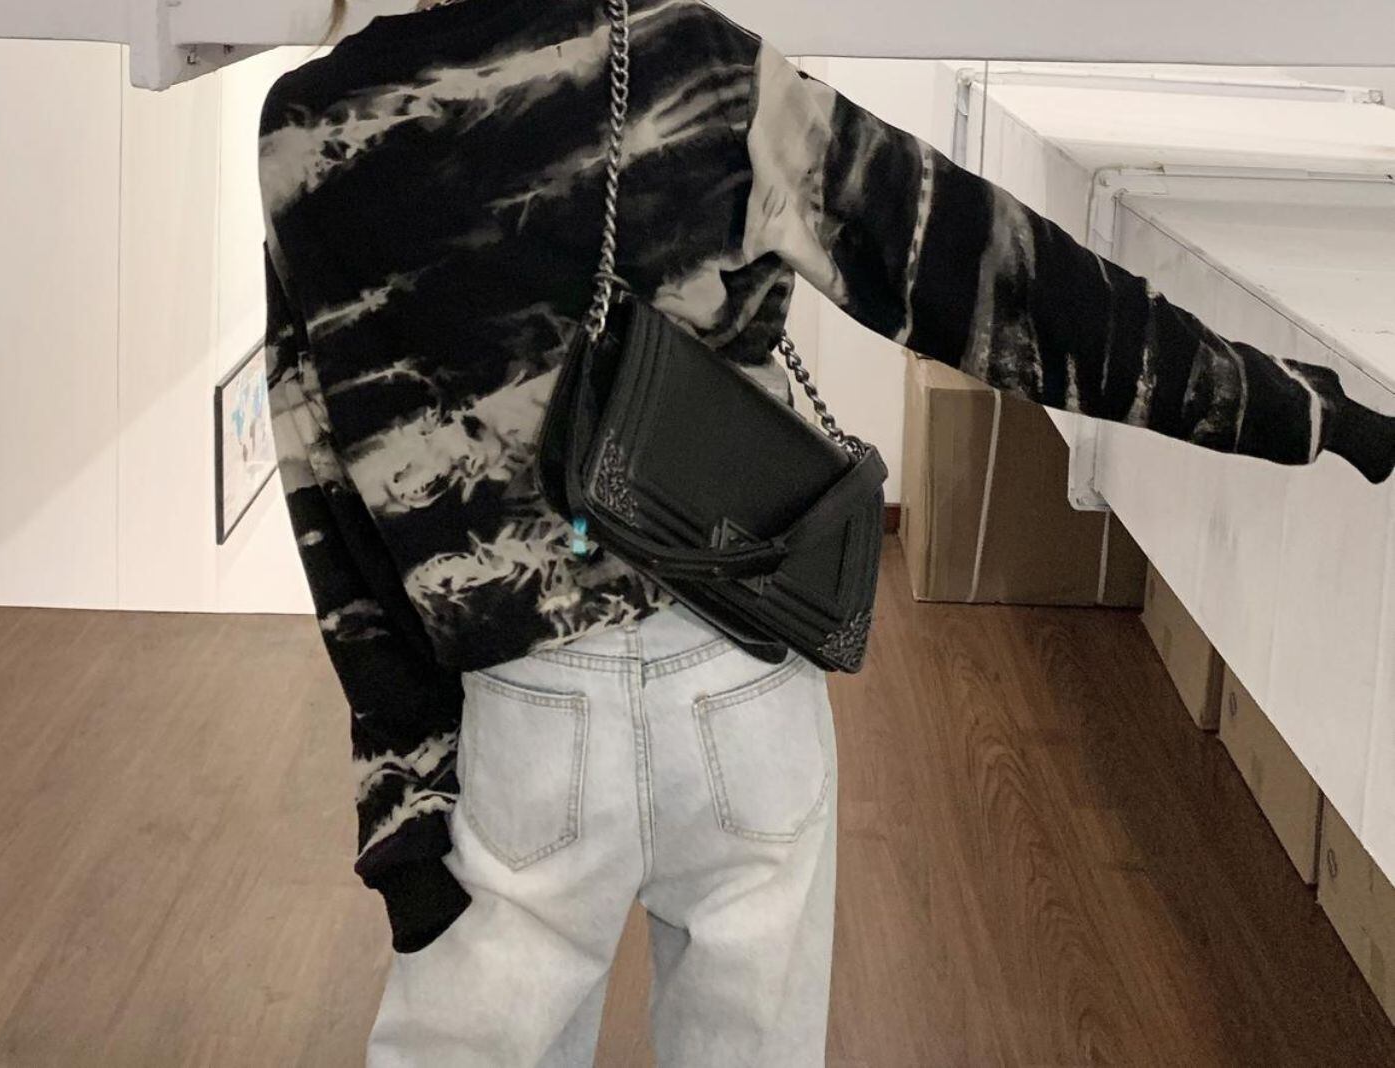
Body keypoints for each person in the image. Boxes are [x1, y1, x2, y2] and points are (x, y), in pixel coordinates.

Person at [257, 0, 1395, 1063]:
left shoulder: (313, 129)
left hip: (524, 711)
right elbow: (998, 280)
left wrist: (401, 803)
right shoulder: (693, 63)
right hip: (743, 665)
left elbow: (328, 497)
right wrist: (1292, 406)